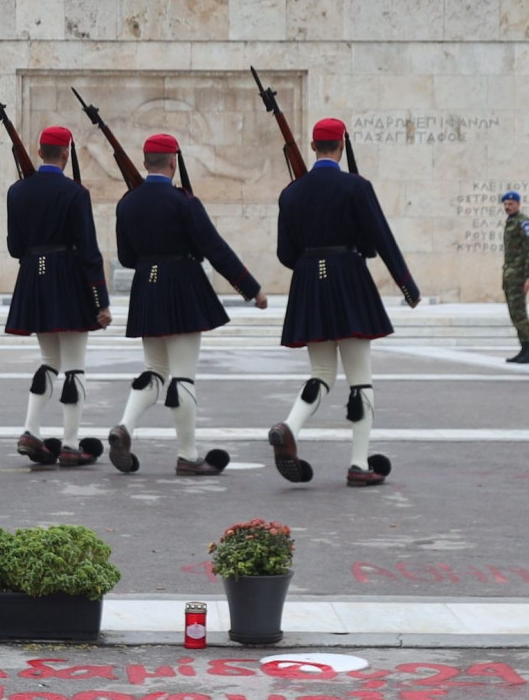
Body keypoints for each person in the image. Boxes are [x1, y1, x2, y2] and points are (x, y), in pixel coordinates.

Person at [268, 118, 420, 487]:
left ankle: (290, 426)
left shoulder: (291, 192)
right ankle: (358, 463)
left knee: (321, 374)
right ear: (341, 145)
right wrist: (406, 284)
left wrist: (310, 263)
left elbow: (286, 253)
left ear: (312, 146)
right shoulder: (355, 186)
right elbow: (380, 237)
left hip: (308, 282)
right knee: (360, 380)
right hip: (348, 278)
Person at [110, 133, 266, 476]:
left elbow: (125, 257)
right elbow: (215, 248)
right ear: (173, 162)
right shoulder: (184, 202)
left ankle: (124, 426)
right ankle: (188, 455)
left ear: (144, 162)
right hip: (181, 285)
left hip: (146, 287)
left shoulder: (127, 202)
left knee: (154, 369)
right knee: (183, 376)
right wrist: (250, 289)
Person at [4, 126, 111, 467]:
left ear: (39, 153)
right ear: (66, 153)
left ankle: (30, 430)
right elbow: (89, 249)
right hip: (68, 277)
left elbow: (15, 248)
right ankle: (69, 443)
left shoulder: (16, 191)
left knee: (49, 361)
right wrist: (100, 299)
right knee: (74, 367)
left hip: (34, 277)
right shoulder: (74, 193)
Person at [500, 190, 529, 363]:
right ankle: (525, 347)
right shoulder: (511, 222)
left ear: (518, 204)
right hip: (510, 274)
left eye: (510, 204)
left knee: (519, 313)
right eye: (505, 204)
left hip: (518, 275)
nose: (507, 207)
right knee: (515, 313)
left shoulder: (524, 223)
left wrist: (528, 276)